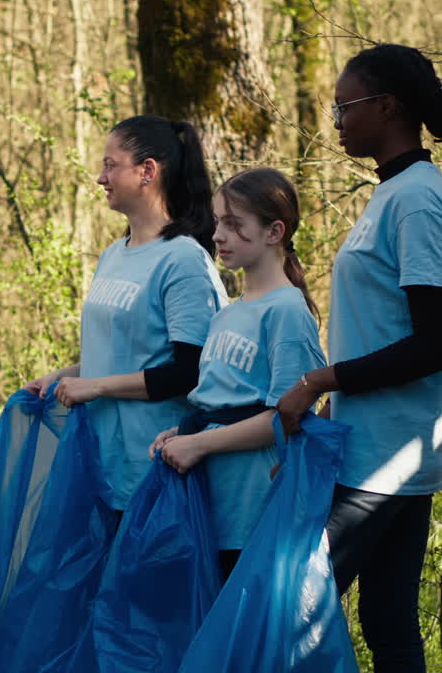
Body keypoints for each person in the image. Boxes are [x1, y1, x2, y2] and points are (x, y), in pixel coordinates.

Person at [276, 43, 442, 671]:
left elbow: (434, 343)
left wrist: (317, 380)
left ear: (386, 107)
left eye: (343, 107)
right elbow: (383, 319)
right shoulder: (395, 193)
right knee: (387, 620)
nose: (335, 121)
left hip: (388, 453)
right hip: (379, 441)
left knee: (289, 603)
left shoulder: (415, 200)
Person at [24, 115, 226, 509]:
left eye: (110, 165)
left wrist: (96, 387)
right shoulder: (114, 254)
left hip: (150, 467)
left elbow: (189, 372)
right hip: (98, 461)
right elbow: (121, 352)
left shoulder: (183, 260)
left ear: (147, 171)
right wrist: (63, 376)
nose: (101, 178)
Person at [148, 167, 325, 578]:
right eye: (217, 223)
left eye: (234, 225)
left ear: (273, 232)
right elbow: (220, 402)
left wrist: (200, 446)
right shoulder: (229, 313)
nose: (218, 236)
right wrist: (183, 435)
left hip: (253, 512)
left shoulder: (287, 313)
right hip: (213, 509)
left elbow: (286, 418)